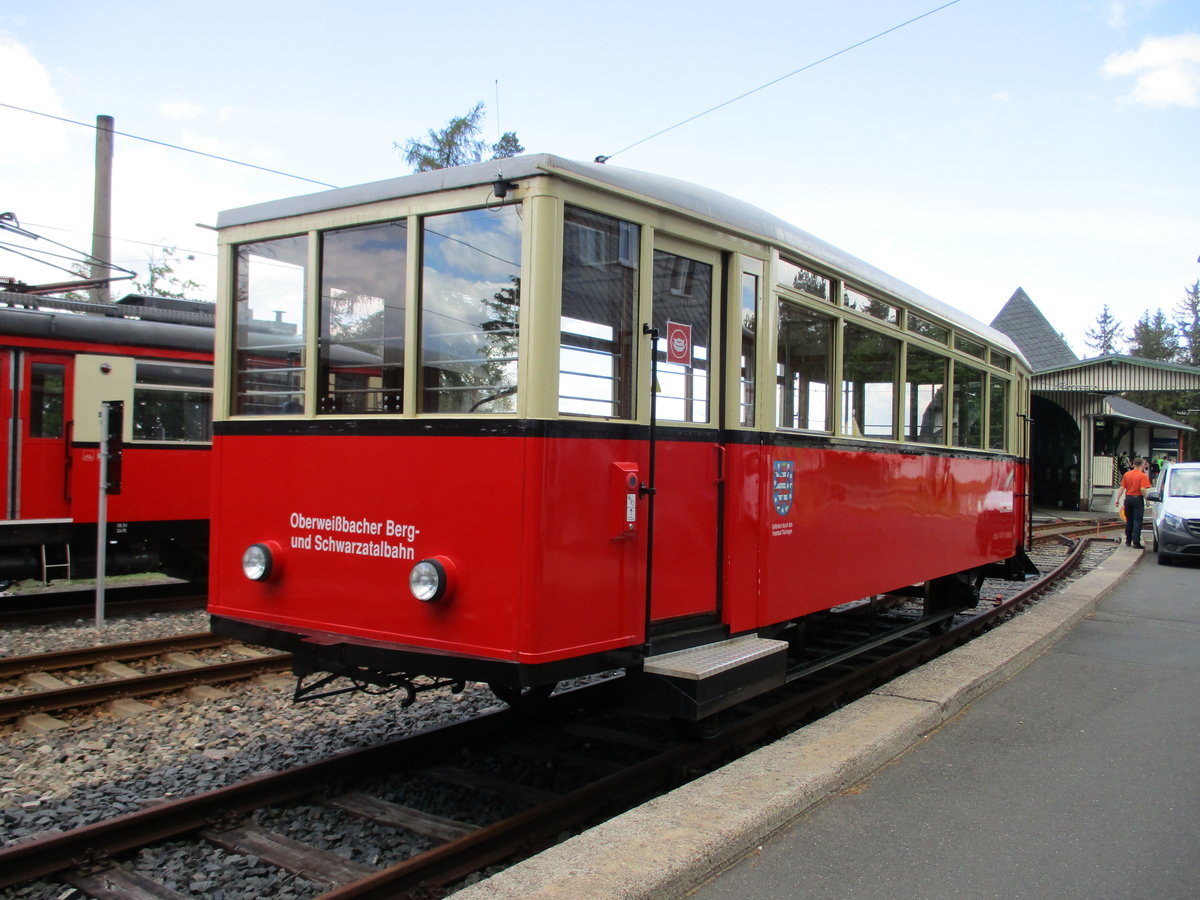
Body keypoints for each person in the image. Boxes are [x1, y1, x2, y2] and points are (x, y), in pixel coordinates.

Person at [1120, 457, 1152, 549]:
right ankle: (1136, 542)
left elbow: (1122, 488)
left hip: (1128, 498)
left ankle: (1128, 541)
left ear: (1133, 464)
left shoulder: (1126, 474)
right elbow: (1142, 489)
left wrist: (1117, 499)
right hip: (1137, 499)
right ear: (1142, 465)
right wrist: (1147, 499)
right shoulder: (1143, 476)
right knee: (1137, 521)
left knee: (1129, 521)